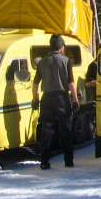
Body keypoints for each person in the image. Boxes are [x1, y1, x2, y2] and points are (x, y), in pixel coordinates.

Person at [32, 34, 80, 169]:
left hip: (47, 99)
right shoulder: (65, 61)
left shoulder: (42, 62)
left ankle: (44, 162)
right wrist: (75, 99)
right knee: (66, 130)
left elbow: (35, 83)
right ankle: (68, 161)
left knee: (47, 130)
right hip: (62, 99)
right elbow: (71, 83)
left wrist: (35, 99)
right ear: (61, 47)